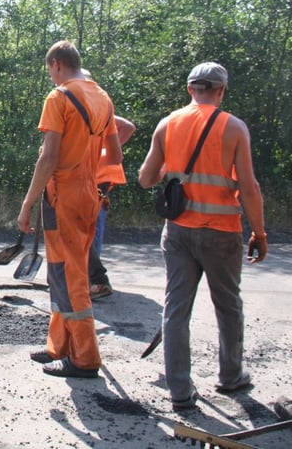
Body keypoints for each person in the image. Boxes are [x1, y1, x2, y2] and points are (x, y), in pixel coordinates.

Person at [138, 62, 268, 411]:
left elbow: (147, 178)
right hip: (222, 233)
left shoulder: (168, 124)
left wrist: (173, 168)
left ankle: (179, 390)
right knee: (228, 306)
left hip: (178, 231)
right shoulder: (234, 128)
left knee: (176, 307)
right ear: (221, 91)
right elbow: (249, 187)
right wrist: (259, 231)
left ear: (189, 89)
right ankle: (230, 377)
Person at [18, 41, 122, 379]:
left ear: (57, 64)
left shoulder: (59, 97)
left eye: (49, 70)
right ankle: (58, 346)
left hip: (63, 194)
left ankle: (85, 358)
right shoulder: (102, 97)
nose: (50, 76)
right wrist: (89, 175)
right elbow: (115, 155)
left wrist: (27, 202)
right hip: (89, 193)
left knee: (72, 274)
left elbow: (48, 158)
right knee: (61, 271)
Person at [88, 113, 136, 299]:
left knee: (87, 231)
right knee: (90, 231)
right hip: (93, 180)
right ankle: (91, 279)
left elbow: (128, 126)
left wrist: (105, 152)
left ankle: (96, 281)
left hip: (95, 182)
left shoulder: (96, 114)